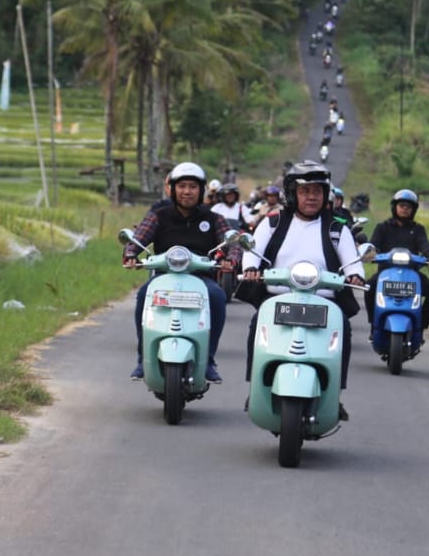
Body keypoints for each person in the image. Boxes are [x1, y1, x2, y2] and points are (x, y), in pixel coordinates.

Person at [241, 160, 365, 418]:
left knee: (343, 326)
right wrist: (251, 268)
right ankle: (256, 388)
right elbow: (253, 250)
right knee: (256, 324)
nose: (312, 197)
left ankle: (335, 395)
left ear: (325, 194)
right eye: (305, 191)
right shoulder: (273, 223)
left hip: (324, 303)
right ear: (292, 194)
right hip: (279, 299)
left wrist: (355, 275)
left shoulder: (337, 228)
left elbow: (352, 260)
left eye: (317, 191)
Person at [122, 162, 230, 383]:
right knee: (144, 295)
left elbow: (231, 243)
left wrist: (231, 259)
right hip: (164, 277)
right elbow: (139, 237)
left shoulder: (214, 219)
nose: (187, 191)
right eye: (181, 186)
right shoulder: (158, 216)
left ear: (201, 190)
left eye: (192, 186)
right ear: (172, 188)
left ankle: (208, 360)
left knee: (218, 296)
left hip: (201, 279)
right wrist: (131, 252)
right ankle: (143, 359)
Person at [365, 189, 429, 331]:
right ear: (395, 207)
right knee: (368, 287)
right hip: (386, 273)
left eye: (408, 206)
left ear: (413, 210)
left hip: (412, 273)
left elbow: (424, 244)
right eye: (401, 205)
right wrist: (369, 253)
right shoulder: (383, 227)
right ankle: (374, 325)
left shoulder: (418, 229)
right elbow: (373, 246)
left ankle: (421, 325)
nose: (405, 209)